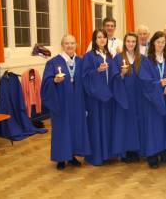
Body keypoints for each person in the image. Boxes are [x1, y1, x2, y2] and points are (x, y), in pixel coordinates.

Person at [41, 35, 90, 170]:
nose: (70, 46)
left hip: (78, 103)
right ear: (62, 45)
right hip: (61, 103)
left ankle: (73, 156)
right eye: (67, 43)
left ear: (77, 45)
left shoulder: (80, 62)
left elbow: (87, 81)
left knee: (75, 129)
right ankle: (61, 158)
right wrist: (54, 81)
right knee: (62, 130)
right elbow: (45, 84)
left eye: (72, 43)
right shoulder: (53, 63)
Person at [82, 29, 127, 166]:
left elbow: (114, 76)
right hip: (96, 98)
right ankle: (96, 156)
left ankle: (108, 154)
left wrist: (122, 74)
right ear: (94, 40)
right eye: (99, 37)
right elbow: (84, 77)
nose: (102, 40)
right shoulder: (89, 56)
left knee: (108, 125)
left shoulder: (109, 56)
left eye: (104, 37)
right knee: (96, 126)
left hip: (109, 97)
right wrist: (97, 71)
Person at [138, 31, 166, 168]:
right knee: (154, 127)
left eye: (163, 42)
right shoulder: (146, 60)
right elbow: (144, 80)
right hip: (153, 100)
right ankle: (153, 155)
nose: (161, 44)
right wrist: (159, 85)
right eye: (158, 42)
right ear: (153, 43)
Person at [112, 33, 143, 163]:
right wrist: (121, 75)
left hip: (138, 95)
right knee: (125, 123)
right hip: (124, 95)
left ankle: (136, 150)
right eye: (128, 41)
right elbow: (113, 79)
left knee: (137, 122)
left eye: (133, 42)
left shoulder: (141, 58)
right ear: (125, 43)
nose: (131, 44)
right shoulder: (118, 58)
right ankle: (125, 151)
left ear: (136, 44)